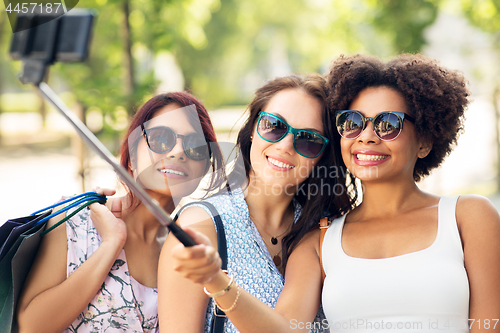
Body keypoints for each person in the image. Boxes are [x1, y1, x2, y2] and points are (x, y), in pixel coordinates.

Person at [169, 54, 500, 332]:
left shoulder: (468, 217)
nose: (367, 136)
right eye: (353, 122)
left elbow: (490, 324)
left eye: (388, 124)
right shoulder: (317, 241)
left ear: (425, 141)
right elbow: (284, 329)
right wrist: (217, 281)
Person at [158, 74, 355, 332]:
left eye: (308, 140)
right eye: (274, 126)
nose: (285, 145)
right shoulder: (202, 224)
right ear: (253, 129)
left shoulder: (322, 231)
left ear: (322, 156)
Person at [16, 92, 226, 333]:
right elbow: (31, 326)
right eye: (160, 139)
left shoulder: (186, 250)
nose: (178, 151)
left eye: (194, 145)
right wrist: (112, 242)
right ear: (132, 156)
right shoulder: (76, 219)